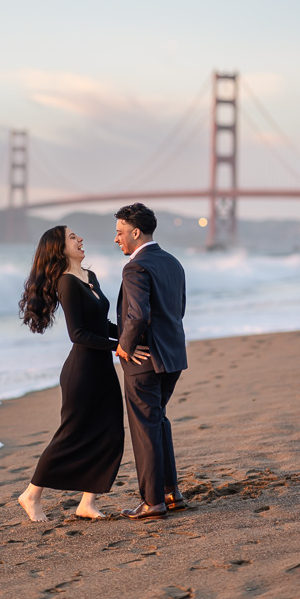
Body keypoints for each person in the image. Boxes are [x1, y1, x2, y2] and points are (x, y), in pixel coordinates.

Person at [18, 225, 145, 522]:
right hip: (81, 371)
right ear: (60, 248)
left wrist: (134, 338)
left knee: (111, 432)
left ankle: (87, 503)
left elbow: (103, 325)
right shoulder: (66, 282)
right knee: (71, 433)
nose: (80, 239)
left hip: (101, 369)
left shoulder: (90, 277)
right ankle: (31, 495)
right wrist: (120, 348)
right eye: (73, 237)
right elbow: (79, 334)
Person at [114, 202, 188, 520]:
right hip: (173, 357)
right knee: (159, 423)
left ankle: (153, 501)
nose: (116, 239)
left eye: (119, 233)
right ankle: (171, 493)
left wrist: (124, 346)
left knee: (145, 429)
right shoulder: (173, 263)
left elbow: (139, 314)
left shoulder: (135, 267)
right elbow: (177, 310)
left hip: (144, 361)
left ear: (135, 232)